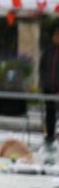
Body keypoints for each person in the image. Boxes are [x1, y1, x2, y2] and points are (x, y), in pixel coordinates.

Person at [40, 25, 59, 158]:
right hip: (49, 88)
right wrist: (43, 82)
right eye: (55, 36)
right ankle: (50, 136)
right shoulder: (48, 51)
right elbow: (42, 67)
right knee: (50, 113)